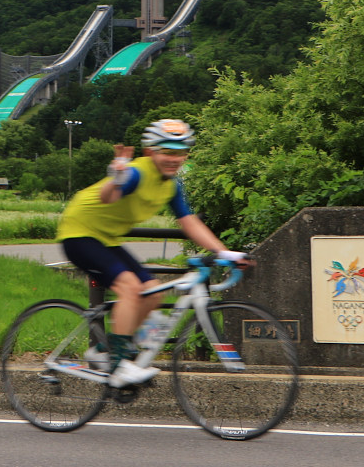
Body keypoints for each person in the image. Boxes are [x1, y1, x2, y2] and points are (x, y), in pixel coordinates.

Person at [57, 118, 245, 388]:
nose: (174, 158)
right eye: (167, 151)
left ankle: (105, 350)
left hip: (106, 238)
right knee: (130, 287)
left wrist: (225, 252)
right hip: (78, 233)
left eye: (180, 152)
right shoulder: (137, 174)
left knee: (154, 291)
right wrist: (116, 177)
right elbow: (108, 197)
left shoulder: (170, 185)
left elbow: (189, 222)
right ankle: (119, 364)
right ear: (150, 152)